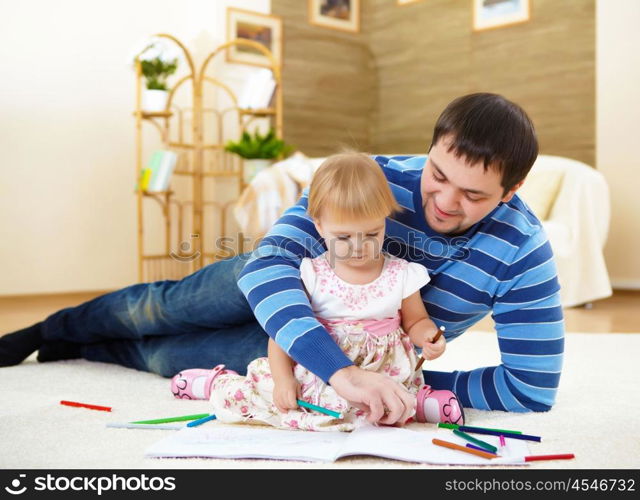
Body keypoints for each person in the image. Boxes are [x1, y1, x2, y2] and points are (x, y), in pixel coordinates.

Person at [0, 93, 564, 425]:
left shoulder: (522, 252)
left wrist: (405, 387)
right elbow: (270, 265)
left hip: (320, 355)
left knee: (168, 356)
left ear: (509, 195)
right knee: (162, 307)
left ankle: (76, 350)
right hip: (285, 297)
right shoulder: (373, 174)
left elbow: (531, 389)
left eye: (473, 196)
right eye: (438, 175)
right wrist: (340, 370)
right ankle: (47, 329)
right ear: (432, 148)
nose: (443, 201)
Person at [169, 154, 464, 431]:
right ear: (320, 226)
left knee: (393, 397)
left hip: (380, 372)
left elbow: (415, 321)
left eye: (372, 233)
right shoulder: (312, 273)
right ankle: (217, 383)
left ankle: (420, 403)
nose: (359, 246)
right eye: (344, 236)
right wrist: (284, 380)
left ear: (385, 220)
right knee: (270, 392)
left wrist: (427, 337)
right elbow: (283, 334)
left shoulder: (402, 273)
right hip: (316, 370)